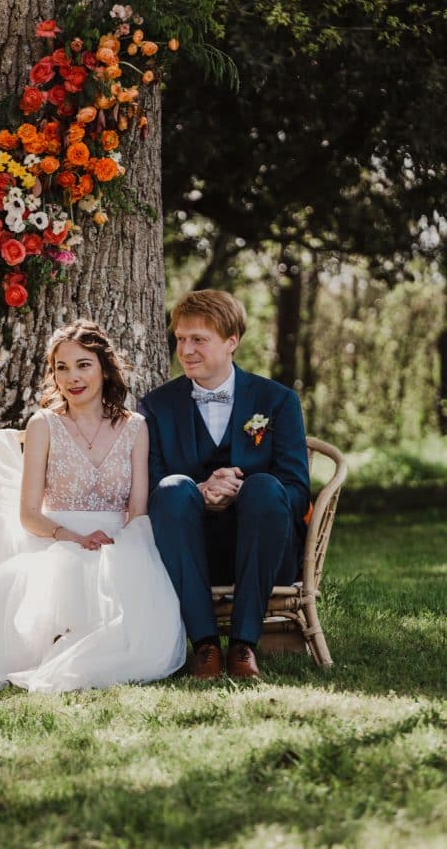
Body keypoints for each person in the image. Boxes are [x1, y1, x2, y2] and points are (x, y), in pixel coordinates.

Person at [0, 319, 186, 692]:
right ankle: (55, 645)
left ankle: (89, 646)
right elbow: (28, 514)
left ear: (104, 368)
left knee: (123, 586)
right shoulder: (44, 425)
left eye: (83, 364)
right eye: (62, 367)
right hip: (52, 538)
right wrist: (71, 537)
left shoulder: (135, 426)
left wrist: (118, 543)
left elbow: (138, 510)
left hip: (119, 539)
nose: (73, 377)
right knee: (68, 568)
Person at [139, 290, 310, 681]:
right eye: (181, 338)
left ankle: (244, 645)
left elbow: (298, 491)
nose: (186, 349)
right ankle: (205, 647)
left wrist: (241, 488)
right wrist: (200, 490)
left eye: (199, 339)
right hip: (188, 550)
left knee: (267, 486)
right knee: (170, 489)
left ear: (232, 341)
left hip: (263, 548)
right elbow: (148, 488)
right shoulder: (156, 406)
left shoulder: (277, 400)